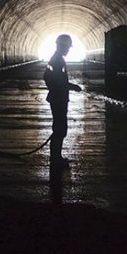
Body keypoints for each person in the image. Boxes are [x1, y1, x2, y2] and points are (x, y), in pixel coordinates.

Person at [43, 34, 82, 170]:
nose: (68, 50)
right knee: (59, 129)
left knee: (60, 128)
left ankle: (57, 157)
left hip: (59, 98)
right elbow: (52, 79)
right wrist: (72, 87)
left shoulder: (58, 59)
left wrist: (65, 87)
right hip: (58, 99)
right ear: (62, 46)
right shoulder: (57, 61)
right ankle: (55, 159)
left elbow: (53, 79)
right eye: (67, 47)